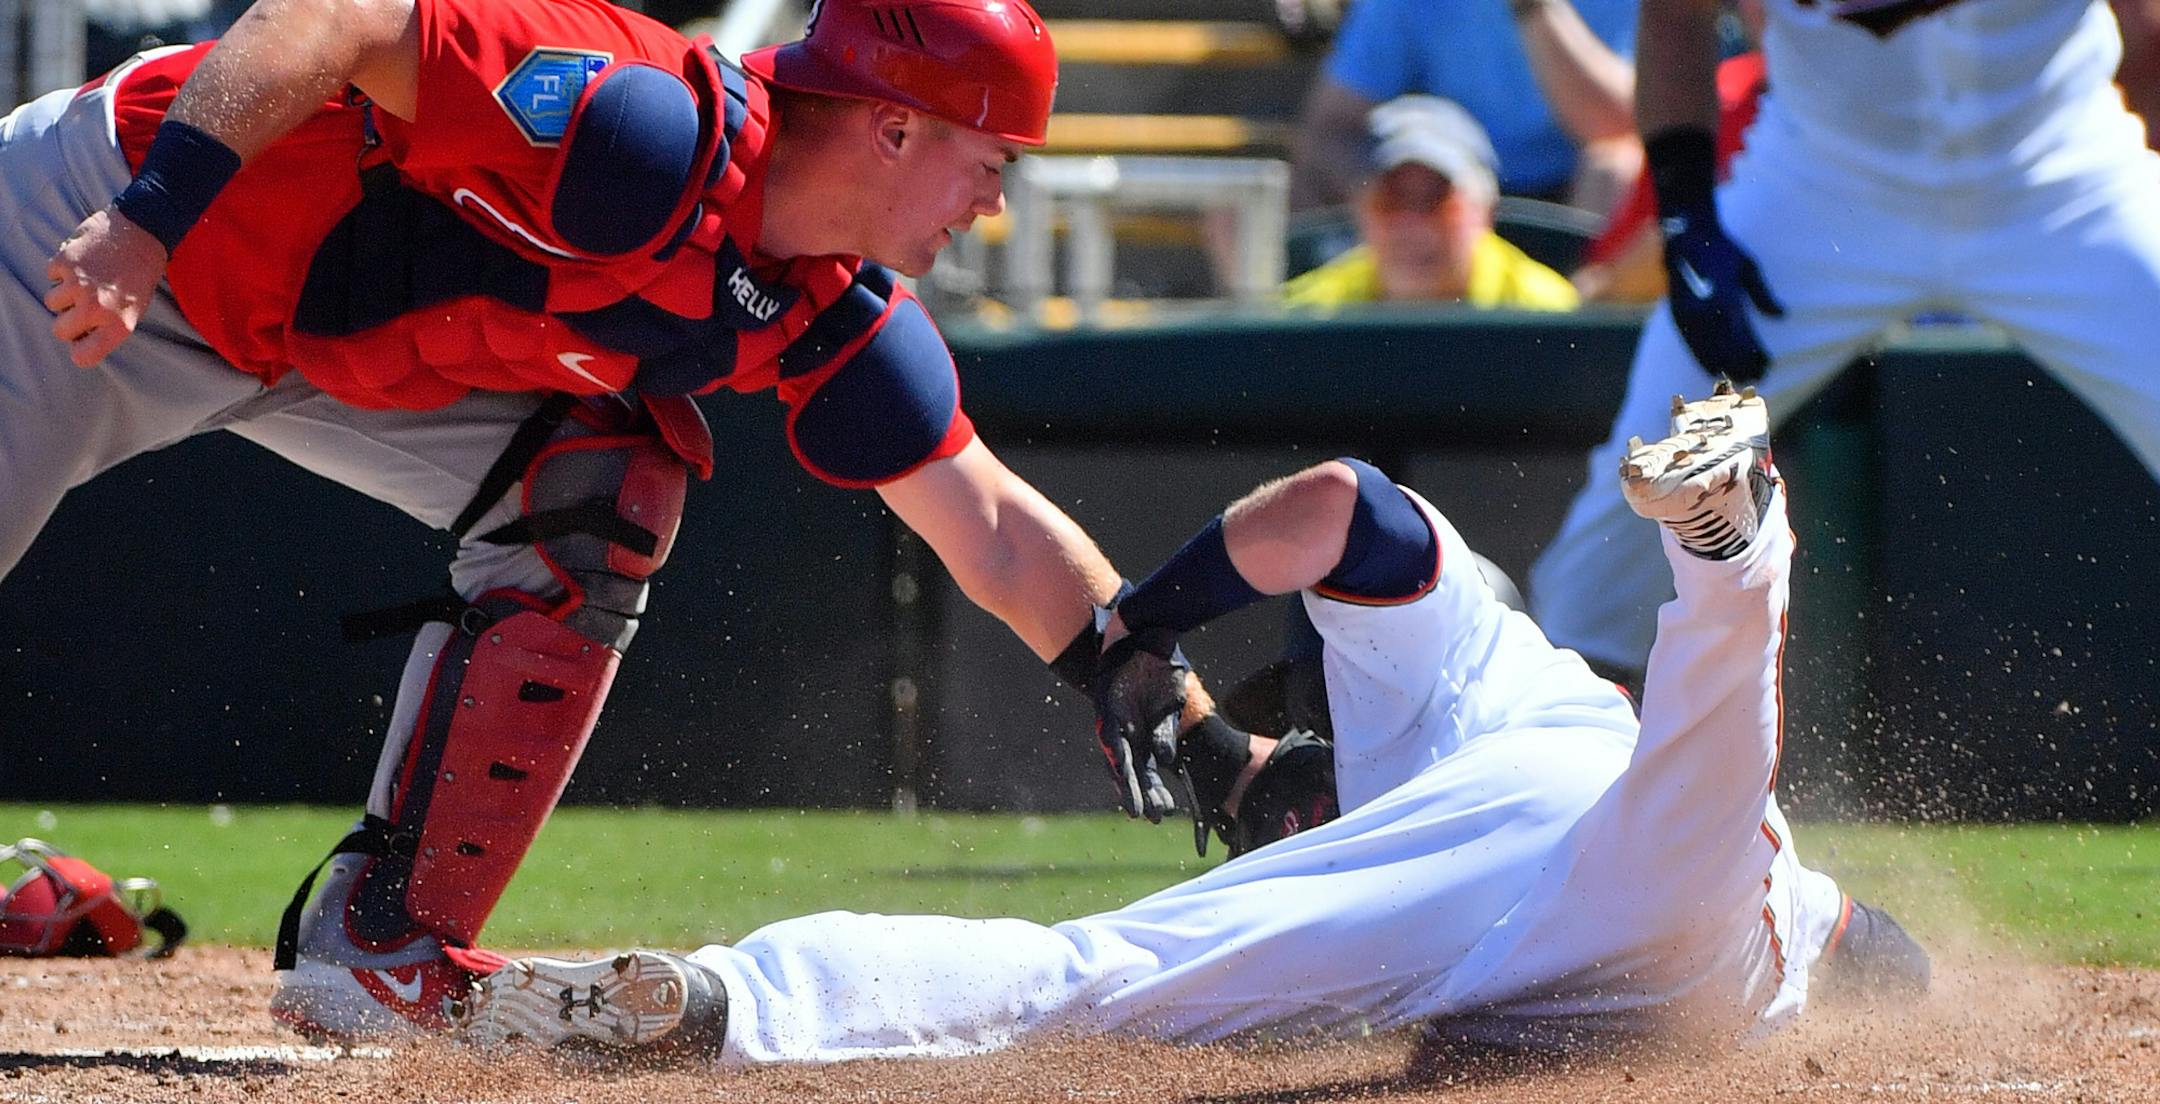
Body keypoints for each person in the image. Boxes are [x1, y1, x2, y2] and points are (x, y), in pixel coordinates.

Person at [18, 0, 1180, 1039]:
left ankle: (380, 949)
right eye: (992, 161)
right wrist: (148, 218)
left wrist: (1178, 710)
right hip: (93, 234)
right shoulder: (638, 120)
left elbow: (987, 521)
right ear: (894, 128)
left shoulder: (828, 300)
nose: (996, 200)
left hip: (289, 340)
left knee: (602, 482)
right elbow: (332, 14)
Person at [450, 385, 1930, 1065]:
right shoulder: (1495, 695)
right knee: (1704, 772)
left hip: (1656, 889)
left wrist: (1134, 638)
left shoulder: (1483, 704)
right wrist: (1137, 634)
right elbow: (1345, 510)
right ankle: (1733, 554)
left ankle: (730, 1000)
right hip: (1656, 907)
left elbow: (1333, 502)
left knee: (1086, 975)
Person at [1530, 0, 2160, 681]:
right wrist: (1686, 214)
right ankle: (1566, 741)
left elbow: (2144, 28)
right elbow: (1678, 15)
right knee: (1649, 467)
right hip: (1820, 183)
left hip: (2061, 169)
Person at [1288, 0, 1640, 214]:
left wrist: (1532, 6)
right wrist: (1389, 204)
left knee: (1615, 165)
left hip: (1572, 193)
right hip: (1442, 187)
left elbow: (1618, 124)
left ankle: (1583, 327)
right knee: (1305, 177)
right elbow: (1331, 128)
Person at [1282, 96, 1581, 312]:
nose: (1412, 223)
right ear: (1361, 213)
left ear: (1485, 213)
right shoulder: (1308, 316)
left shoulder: (1549, 315)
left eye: (1437, 200)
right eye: (1391, 201)